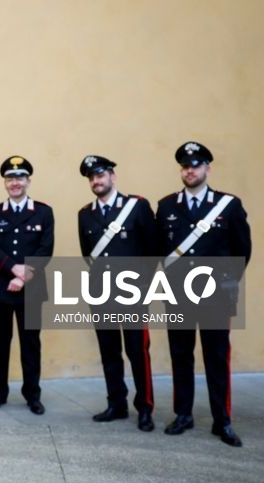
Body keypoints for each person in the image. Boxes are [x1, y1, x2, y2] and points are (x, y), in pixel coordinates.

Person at [156, 141, 251, 447]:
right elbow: (160, 249)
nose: (190, 171)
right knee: (181, 355)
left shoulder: (228, 205)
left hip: (215, 296)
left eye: (195, 165)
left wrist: (227, 282)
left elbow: (242, 249)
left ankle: (222, 420)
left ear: (207, 168)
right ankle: (183, 414)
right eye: (185, 166)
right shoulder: (167, 206)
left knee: (217, 357)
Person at [77, 155, 157, 432]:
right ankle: (117, 404)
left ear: (112, 176)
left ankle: (145, 407)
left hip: (132, 293)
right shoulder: (85, 214)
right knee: (109, 351)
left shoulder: (136, 206)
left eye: (100, 175)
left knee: (137, 351)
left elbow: (152, 249)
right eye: (91, 177)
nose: (96, 181)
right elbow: (88, 254)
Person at [0, 156, 54, 415]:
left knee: (30, 344)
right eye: (10, 178)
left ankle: (32, 394)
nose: (15, 183)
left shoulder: (43, 212)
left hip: (31, 289)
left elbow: (45, 249)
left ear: (28, 181)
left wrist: (23, 277)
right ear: (5, 182)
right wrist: (13, 269)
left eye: (20, 178)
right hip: (0, 288)